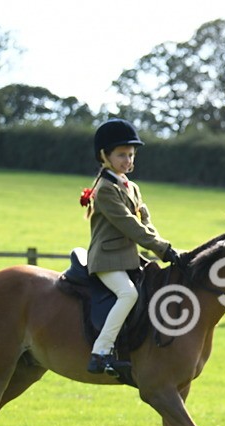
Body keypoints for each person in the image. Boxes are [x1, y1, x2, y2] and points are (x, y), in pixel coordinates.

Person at [81, 119, 179, 375]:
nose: (128, 160)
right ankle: (100, 352)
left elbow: (144, 224)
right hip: (106, 259)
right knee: (129, 294)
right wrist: (162, 248)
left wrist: (163, 246)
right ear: (105, 156)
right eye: (121, 155)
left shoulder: (131, 186)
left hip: (127, 258)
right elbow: (129, 226)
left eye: (131, 155)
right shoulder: (104, 190)